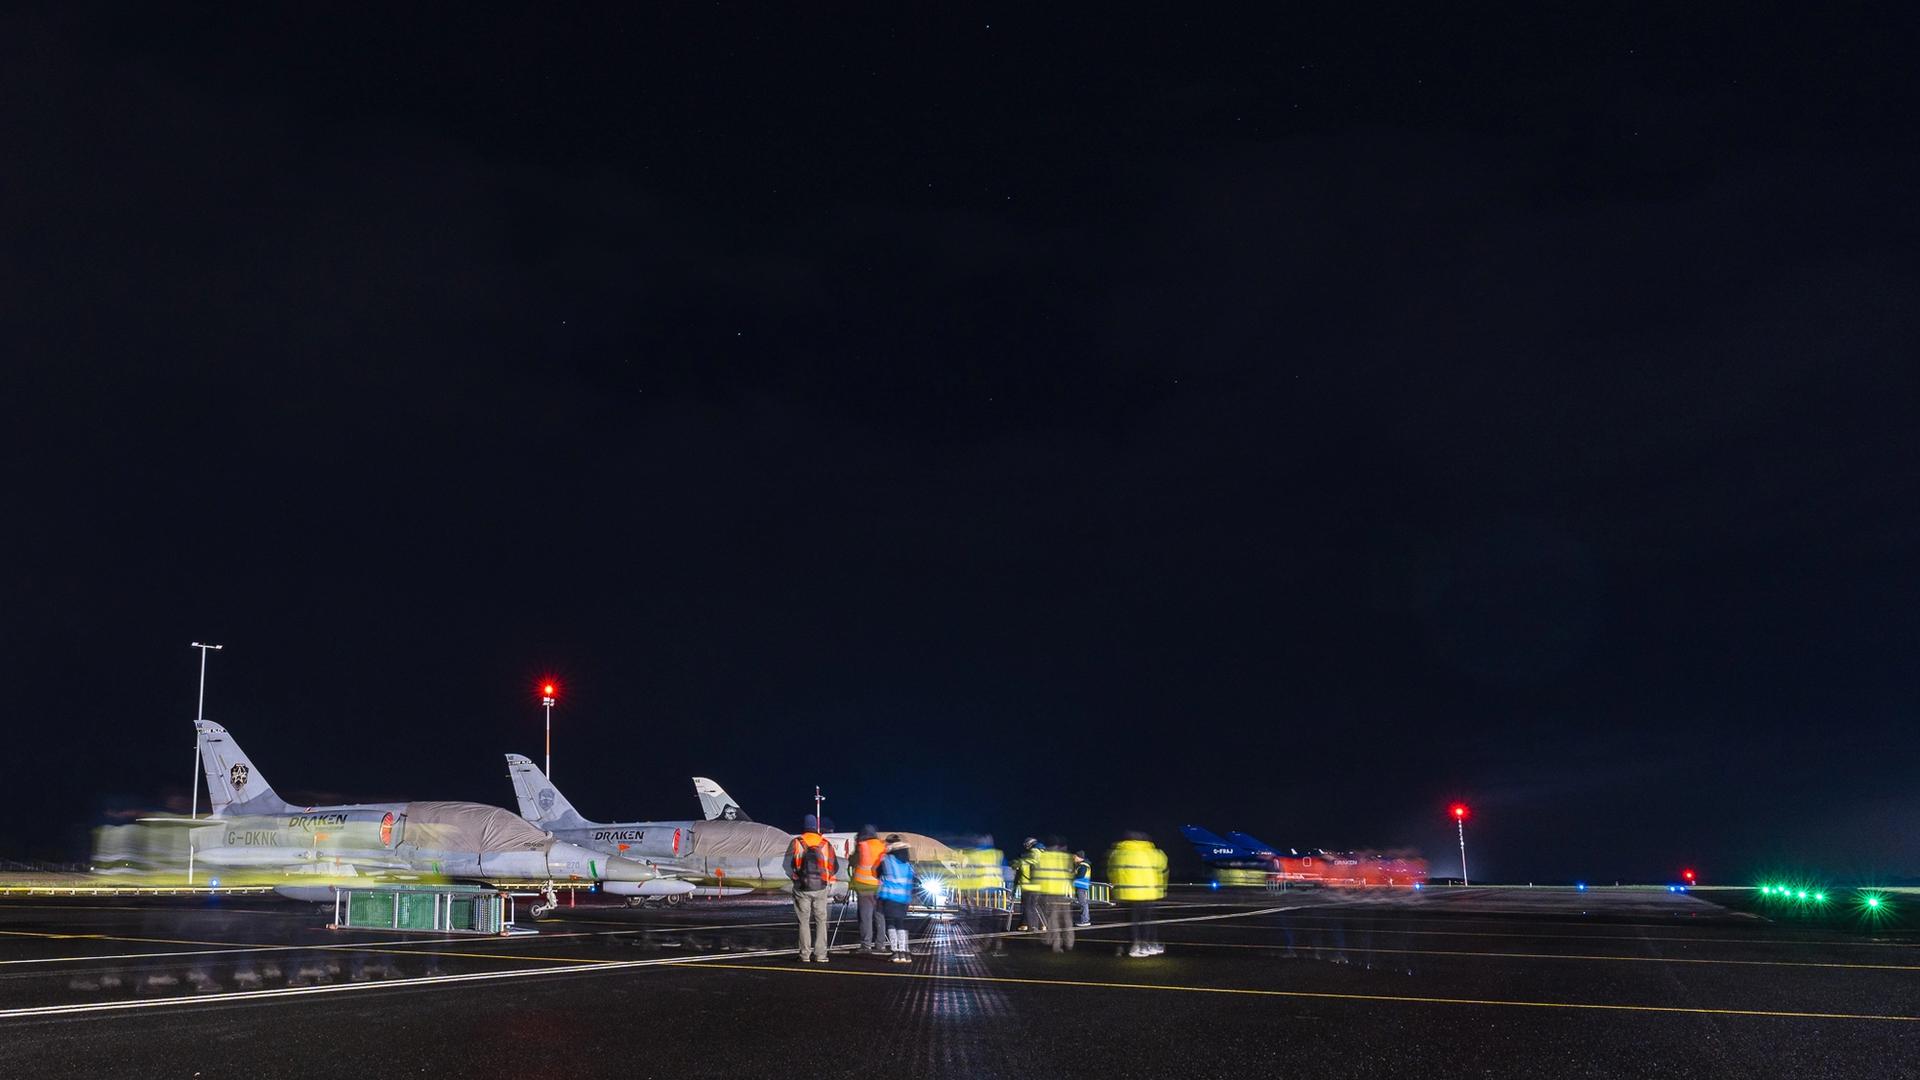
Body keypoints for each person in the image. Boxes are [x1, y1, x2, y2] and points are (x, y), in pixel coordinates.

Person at [1107, 831, 1168, 957]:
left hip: (1129, 893)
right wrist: (1162, 888)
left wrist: (1116, 889)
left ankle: (1136, 945)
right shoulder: (1154, 853)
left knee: (1133, 921)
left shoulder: (1120, 853)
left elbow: (1113, 872)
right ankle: (1148, 945)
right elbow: (1163, 871)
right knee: (1148, 920)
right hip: (1150, 892)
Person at [788, 814, 838, 962]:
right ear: (816, 827)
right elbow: (834, 866)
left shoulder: (797, 842)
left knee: (803, 921)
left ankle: (804, 955)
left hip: (802, 887)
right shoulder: (825, 843)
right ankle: (821, 955)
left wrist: (796, 876)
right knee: (821, 920)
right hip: (821, 886)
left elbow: (789, 864)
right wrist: (826, 877)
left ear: (804, 826)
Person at [1028, 841, 1076, 951]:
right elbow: (1071, 874)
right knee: (1067, 919)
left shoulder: (1044, 858)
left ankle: (1056, 945)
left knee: (1053, 920)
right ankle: (1069, 943)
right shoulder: (1065, 857)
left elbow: (1038, 875)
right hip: (1064, 893)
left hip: (1050, 894)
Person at [850, 825, 889, 954]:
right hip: (880, 885)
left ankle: (866, 945)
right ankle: (881, 944)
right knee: (880, 915)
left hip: (864, 885)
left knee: (865, 916)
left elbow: (853, 862)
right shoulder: (883, 846)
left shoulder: (862, 845)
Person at [877, 835, 916, 963]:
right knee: (901, 923)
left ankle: (895, 952)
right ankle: (905, 953)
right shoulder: (907, 861)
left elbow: (877, 872)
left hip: (890, 896)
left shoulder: (887, 859)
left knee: (891, 923)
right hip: (904, 897)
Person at [1072, 850, 1093, 927]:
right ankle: (1084, 919)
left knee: (1083, 903)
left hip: (1081, 886)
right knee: (1083, 903)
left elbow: (1080, 875)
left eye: (1075, 856)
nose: (1074, 858)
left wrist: (1073, 876)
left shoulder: (1083, 865)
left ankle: (1085, 920)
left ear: (1079, 857)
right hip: (1081, 886)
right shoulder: (1082, 865)